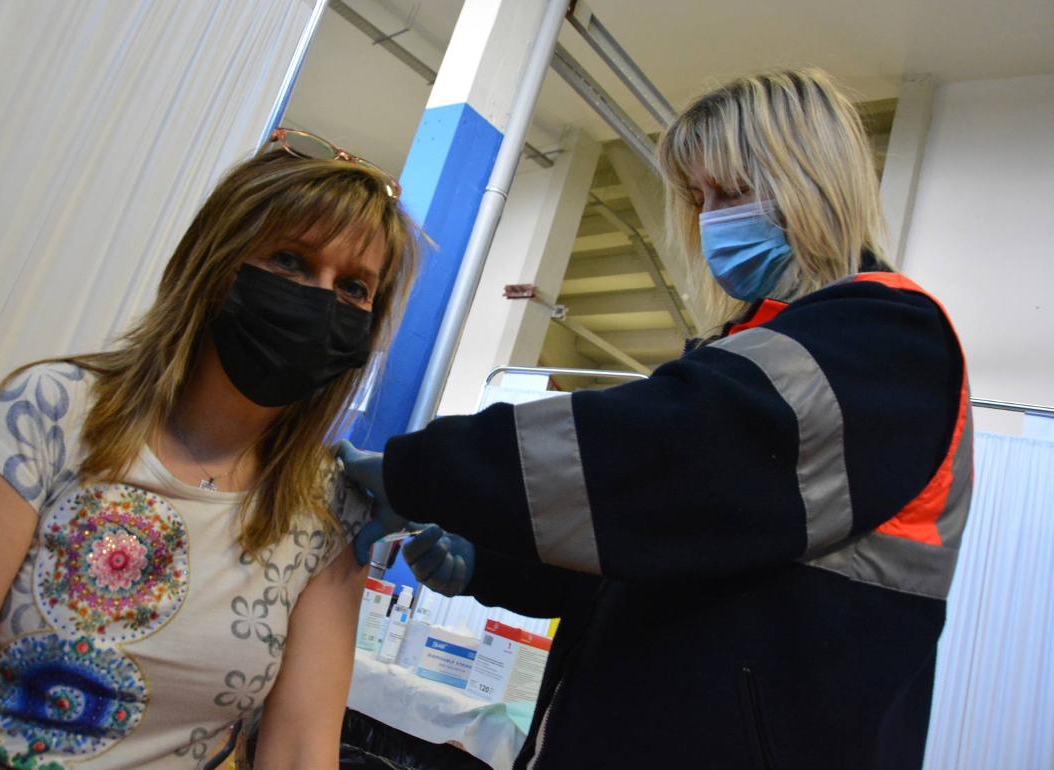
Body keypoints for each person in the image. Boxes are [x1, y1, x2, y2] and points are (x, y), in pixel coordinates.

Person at [341, 68, 971, 769]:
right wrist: (484, 563)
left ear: (814, 182)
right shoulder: (746, 348)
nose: (709, 218)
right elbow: (648, 559)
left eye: (732, 192)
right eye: (698, 197)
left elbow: (657, 451)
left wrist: (423, 470)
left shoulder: (888, 340)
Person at [0, 129, 417, 770]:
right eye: (291, 262)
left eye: (354, 287)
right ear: (214, 266)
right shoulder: (53, 414)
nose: (319, 298)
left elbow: (300, 752)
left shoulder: (327, 506)